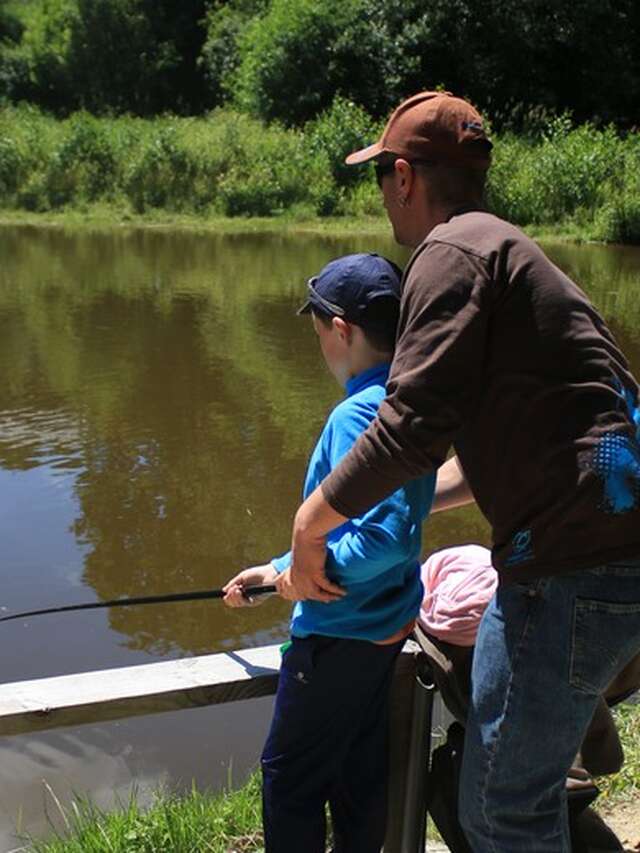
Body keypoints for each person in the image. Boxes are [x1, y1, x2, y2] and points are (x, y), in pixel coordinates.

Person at [282, 91, 640, 852]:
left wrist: (310, 526)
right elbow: (507, 450)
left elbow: (408, 427)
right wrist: (409, 506)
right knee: (513, 794)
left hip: (569, 565)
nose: (384, 195)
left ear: (404, 177)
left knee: (504, 810)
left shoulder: (448, 253)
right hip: (615, 546)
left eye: (381, 176)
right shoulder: (511, 251)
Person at [222, 252, 436, 853]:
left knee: (288, 781)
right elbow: (364, 527)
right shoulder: (407, 405)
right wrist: (277, 570)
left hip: (337, 639)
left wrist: (307, 576)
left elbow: (384, 538)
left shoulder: (354, 417)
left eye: (318, 333)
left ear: (340, 331)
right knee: (358, 777)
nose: (319, 346)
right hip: (382, 633)